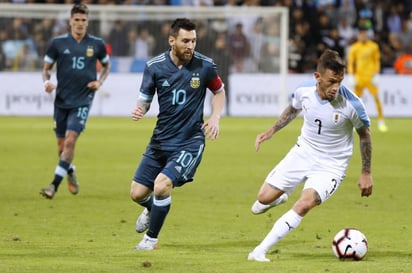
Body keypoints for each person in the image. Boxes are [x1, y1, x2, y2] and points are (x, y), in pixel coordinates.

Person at [247, 49, 373, 262]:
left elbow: (364, 135)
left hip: (331, 166)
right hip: (303, 152)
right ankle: (280, 197)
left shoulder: (352, 104)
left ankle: (259, 251)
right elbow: (293, 109)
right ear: (317, 77)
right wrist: (270, 131)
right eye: (331, 81)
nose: (336, 87)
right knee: (262, 200)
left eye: (340, 81)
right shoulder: (303, 90)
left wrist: (366, 172)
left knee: (304, 203)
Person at [130, 18, 225, 250]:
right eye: (185, 41)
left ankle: (151, 240)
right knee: (137, 193)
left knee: (161, 186)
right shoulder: (154, 66)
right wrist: (140, 110)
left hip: (190, 140)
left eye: (193, 40)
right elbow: (145, 100)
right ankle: (153, 208)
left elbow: (219, 92)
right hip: (160, 139)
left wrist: (214, 117)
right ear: (172, 40)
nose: (190, 46)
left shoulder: (205, 65)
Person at [39, 3, 110, 199]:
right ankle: (69, 171)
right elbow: (46, 68)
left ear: (88, 22)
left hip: (83, 100)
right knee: (62, 148)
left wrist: (99, 81)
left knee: (70, 141)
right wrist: (47, 82)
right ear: (70, 21)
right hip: (61, 100)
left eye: (83, 20)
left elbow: (106, 66)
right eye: (76, 20)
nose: (80, 23)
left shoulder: (96, 44)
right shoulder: (58, 43)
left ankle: (53, 185)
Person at [347, 26, 387, 132]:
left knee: (376, 98)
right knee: (355, 101)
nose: (362, 36)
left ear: (367, 35)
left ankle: (381, 121)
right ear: (358, 35)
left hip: (370, 77)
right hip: (359, 78)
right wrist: (351, 75)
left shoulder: (373, 46)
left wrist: (376, 74)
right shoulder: (354, 47)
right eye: (361, 34)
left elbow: (376, 61)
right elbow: (351, 62)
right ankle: (355, 123)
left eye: (364, 34)